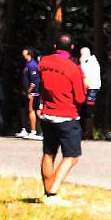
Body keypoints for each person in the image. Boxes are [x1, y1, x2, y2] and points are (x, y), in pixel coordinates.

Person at [36, 34, 87, 206]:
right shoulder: (73, 68)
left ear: (55, 46)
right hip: (66, 116)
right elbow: (80, 98)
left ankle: (46, 190)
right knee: (71, 156)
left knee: (49, 153)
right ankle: (52, 192)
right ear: (72, 48)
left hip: (47, 114)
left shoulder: (43, 62)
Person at [16, 48, 41, 140]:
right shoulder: (26, 64)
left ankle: (34, 131)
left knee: (32, 110)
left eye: (25, 53)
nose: (23, 54)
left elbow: (35, 81)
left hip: (32, 93)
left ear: (29, 53)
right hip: (25, 91)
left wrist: (29, 91)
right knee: (23, 109)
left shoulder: (33, 65)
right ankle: (24, 129)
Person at [80, 46, 103, 139]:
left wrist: (81, 62)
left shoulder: (89, 62)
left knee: (89, 111)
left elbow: (84, 75)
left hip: (91, 89)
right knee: (87, 111)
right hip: (92, 88)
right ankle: (87, 131)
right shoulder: (92, 61)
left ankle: (88, 132)